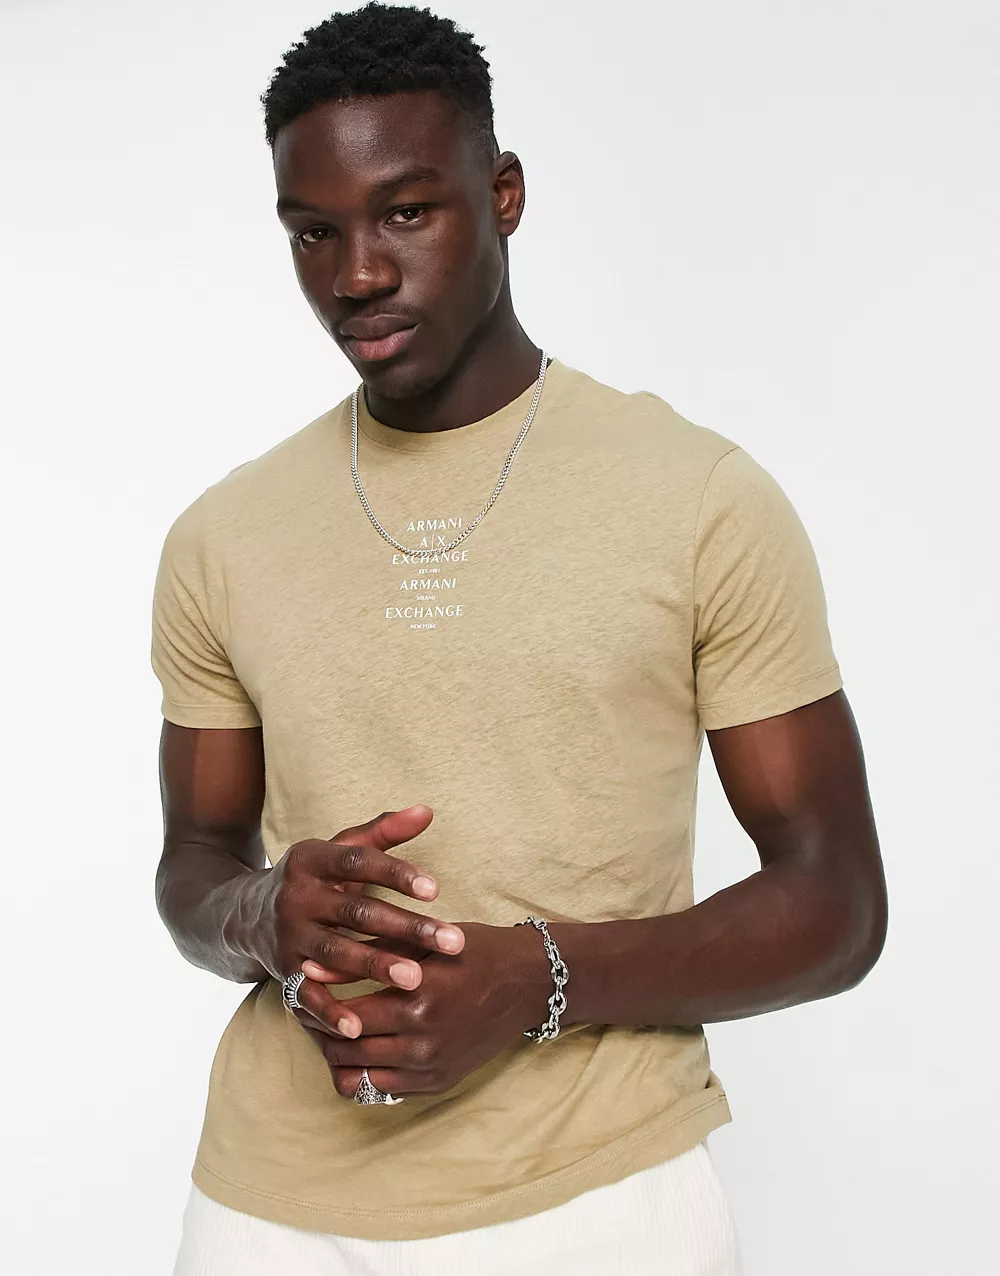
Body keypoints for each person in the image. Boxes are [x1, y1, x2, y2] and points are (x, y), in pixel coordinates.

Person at [151, 4, 888, 1273]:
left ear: (503, 195)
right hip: (268, 1210)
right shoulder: (223, 535)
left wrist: (533, 980)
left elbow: (835, 902)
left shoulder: (697, 498)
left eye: (405, 212)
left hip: (595, 1202)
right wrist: (262, 912)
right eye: (313, 232)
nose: (355, 275)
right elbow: (194, 864)